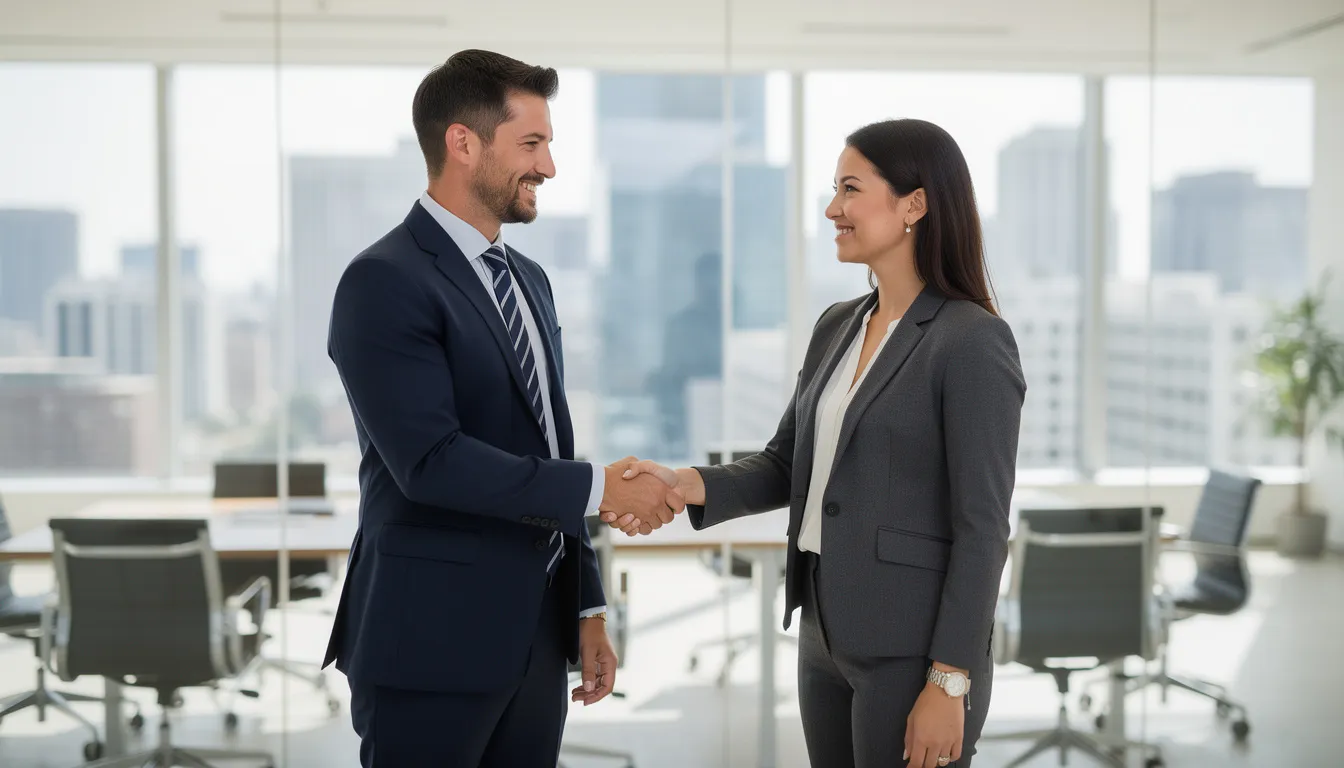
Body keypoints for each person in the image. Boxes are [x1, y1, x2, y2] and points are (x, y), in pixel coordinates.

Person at [615, 118, 1026, 768]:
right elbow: (785, 464)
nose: (833, 208)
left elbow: (982, 530)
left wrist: (949, 680)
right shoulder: (839, 325)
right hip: (823, 632)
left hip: (912, 647)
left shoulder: (970, 340)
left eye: (851, 189)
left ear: (914, 204)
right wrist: (683, 483)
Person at [322, 49, 683, 767]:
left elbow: (547, 444)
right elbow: (431, 462)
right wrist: (600, 486)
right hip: (431, 641)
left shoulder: (531, 280)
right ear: (463, 143)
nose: (549, 166)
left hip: (537, 641)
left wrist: (585, 606)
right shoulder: (382, 281)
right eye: (531, 144)